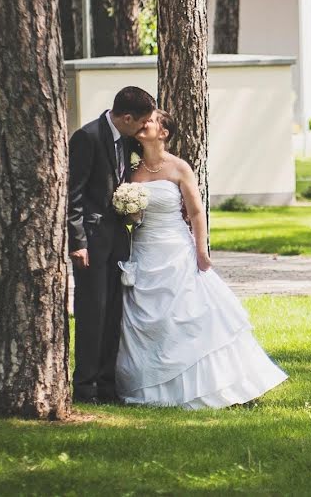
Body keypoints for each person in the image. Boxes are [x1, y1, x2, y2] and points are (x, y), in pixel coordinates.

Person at [116, 109, 287, 408]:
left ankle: (219, 384)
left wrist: (201, 251)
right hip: (145, 248)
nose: (144, 124)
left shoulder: (179, 168)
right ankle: (153, 388)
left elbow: (195, 213)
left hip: (176, 249)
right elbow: (132, 219)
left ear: (164, 133)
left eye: (151, 121)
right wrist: (129, 210)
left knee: (191, 314)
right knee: (149, 317)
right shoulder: (131, 171)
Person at [67, 86, 156, 404]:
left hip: (118, 240)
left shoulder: (130, 140)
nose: (144, 128)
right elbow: (73, 193)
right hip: (91, 243)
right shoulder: (87, 137)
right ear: (127, 117)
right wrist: (77, 241)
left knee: (114, 314)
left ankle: (107, 383)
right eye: (141, 122)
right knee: (93, 313)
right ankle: (85, 385)